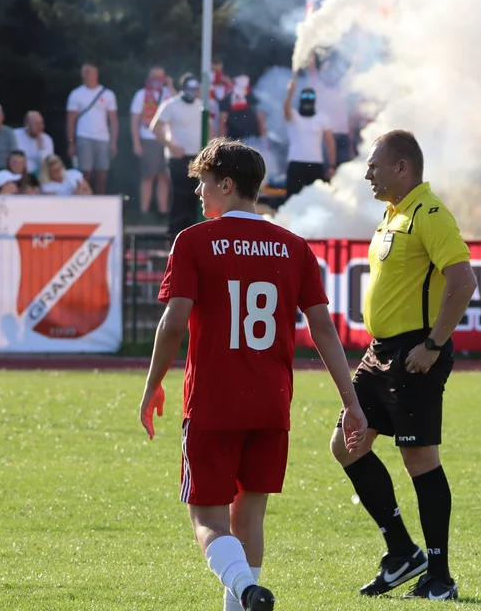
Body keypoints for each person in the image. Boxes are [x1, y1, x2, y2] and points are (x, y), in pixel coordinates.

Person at [137, 138, 368, 611]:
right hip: (270, 401)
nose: (199, 194)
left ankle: (244, 591)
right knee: (251, 518)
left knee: (207, 520)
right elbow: (323, 327)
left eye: (203, 183)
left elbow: (174, 320)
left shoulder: (195, 240)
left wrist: (152, 384)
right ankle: (245, 599)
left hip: (214, 400)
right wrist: (350, 400)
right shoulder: (293, 246)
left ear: (226, 184)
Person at [330, 130, 476, 601]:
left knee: (419, 460)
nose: (368, 173)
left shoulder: (428, 214)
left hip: (415, 354)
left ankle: (440, 576)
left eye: (375, 165)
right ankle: (402, 553)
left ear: (402, 168)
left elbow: (463, 280)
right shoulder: (393, 214)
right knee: (346, 445)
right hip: (380, 353)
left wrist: (433, 344)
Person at [152, 74, 213, 235]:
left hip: (198, 158)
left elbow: (209, 131)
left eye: (196, 89)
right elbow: (156, 128)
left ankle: (194, 231)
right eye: (190, 89)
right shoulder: (171, 105)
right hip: (178, 158)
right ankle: (175, 232)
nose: (193, 92)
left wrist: (208, 150)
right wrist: (172, 146)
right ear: (183, 89)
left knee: (196, 196)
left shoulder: (201, 106)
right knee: (180, 195)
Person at [130, 66, 176, 220]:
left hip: (167, 139)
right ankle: (144, 212)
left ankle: (162, 212)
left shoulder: (169, 94)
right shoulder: (141, 95)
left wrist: (170, 86)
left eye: (161, 77)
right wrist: (136, 143)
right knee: (148, 176)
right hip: (148, 138)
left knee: (164, 176)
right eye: (155, 77)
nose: (158, 80)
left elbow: (180, 104)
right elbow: (135, 120)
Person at [66, 62, 119, 194]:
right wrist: (71, 144)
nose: (85, 75)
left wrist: (113, 142)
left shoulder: (108, 94)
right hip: (84, 136)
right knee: (85, 171)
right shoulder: (76, 94)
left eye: (88, 72)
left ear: (95, 74)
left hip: (103, 137)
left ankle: (100, 201)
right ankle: (84, 199)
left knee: (102, 172)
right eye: (83, 72)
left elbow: (113, 120)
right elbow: (70, 121)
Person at [282, 79, 335, 198]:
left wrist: (332, 165)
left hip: (315, 165)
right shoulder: (294, 116)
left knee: (316, 200)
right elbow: (286, 112)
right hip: (296, 163)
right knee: (292, 199)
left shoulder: (322, 118)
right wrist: (290, 93)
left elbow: (330, 143)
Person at [12, 111, 55, 176]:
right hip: (19, 174)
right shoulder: (15, 135)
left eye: (42, 123)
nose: (41, 126)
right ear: (27, 125)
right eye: (37, 124)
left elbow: (48, 164)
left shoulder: (46, 139)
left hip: (40, 176)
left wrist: (41, 149)